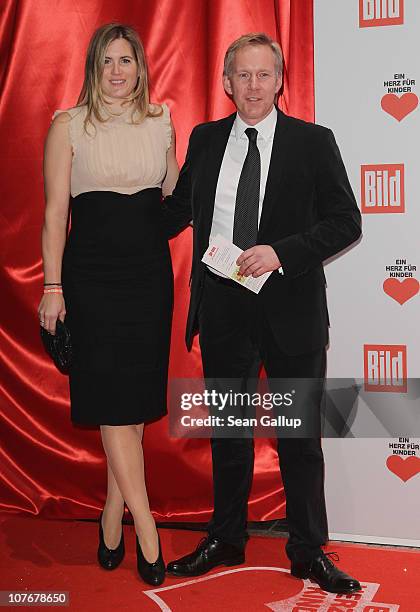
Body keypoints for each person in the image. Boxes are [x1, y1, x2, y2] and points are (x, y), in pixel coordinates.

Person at [164, 33, 362, 594]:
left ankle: (308, 551)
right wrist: (112, 214)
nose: (253, 86)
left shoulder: (313, 141)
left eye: (263, 75)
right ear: (226, 84)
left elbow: (347, 221)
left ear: (281, 81)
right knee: (228, 435)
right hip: (224, 309)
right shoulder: (203, 141)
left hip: (291, 308)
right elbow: (177, 211)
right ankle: (225, 538)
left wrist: (283, 252)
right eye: (242, 76)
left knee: (299, 439)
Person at [37, 23, 179, 586]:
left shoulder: (161, 120)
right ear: (93, 69)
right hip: (90, 278)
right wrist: (52, 288)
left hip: (148, 276)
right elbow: (53, 213)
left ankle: (112, 510)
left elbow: (173, 196)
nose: (117, 72)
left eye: (127, 61)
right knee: (114, 402)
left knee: (134, 402)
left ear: (140, 68)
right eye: (107, 61)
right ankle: (147, 527)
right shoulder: (67, 125)